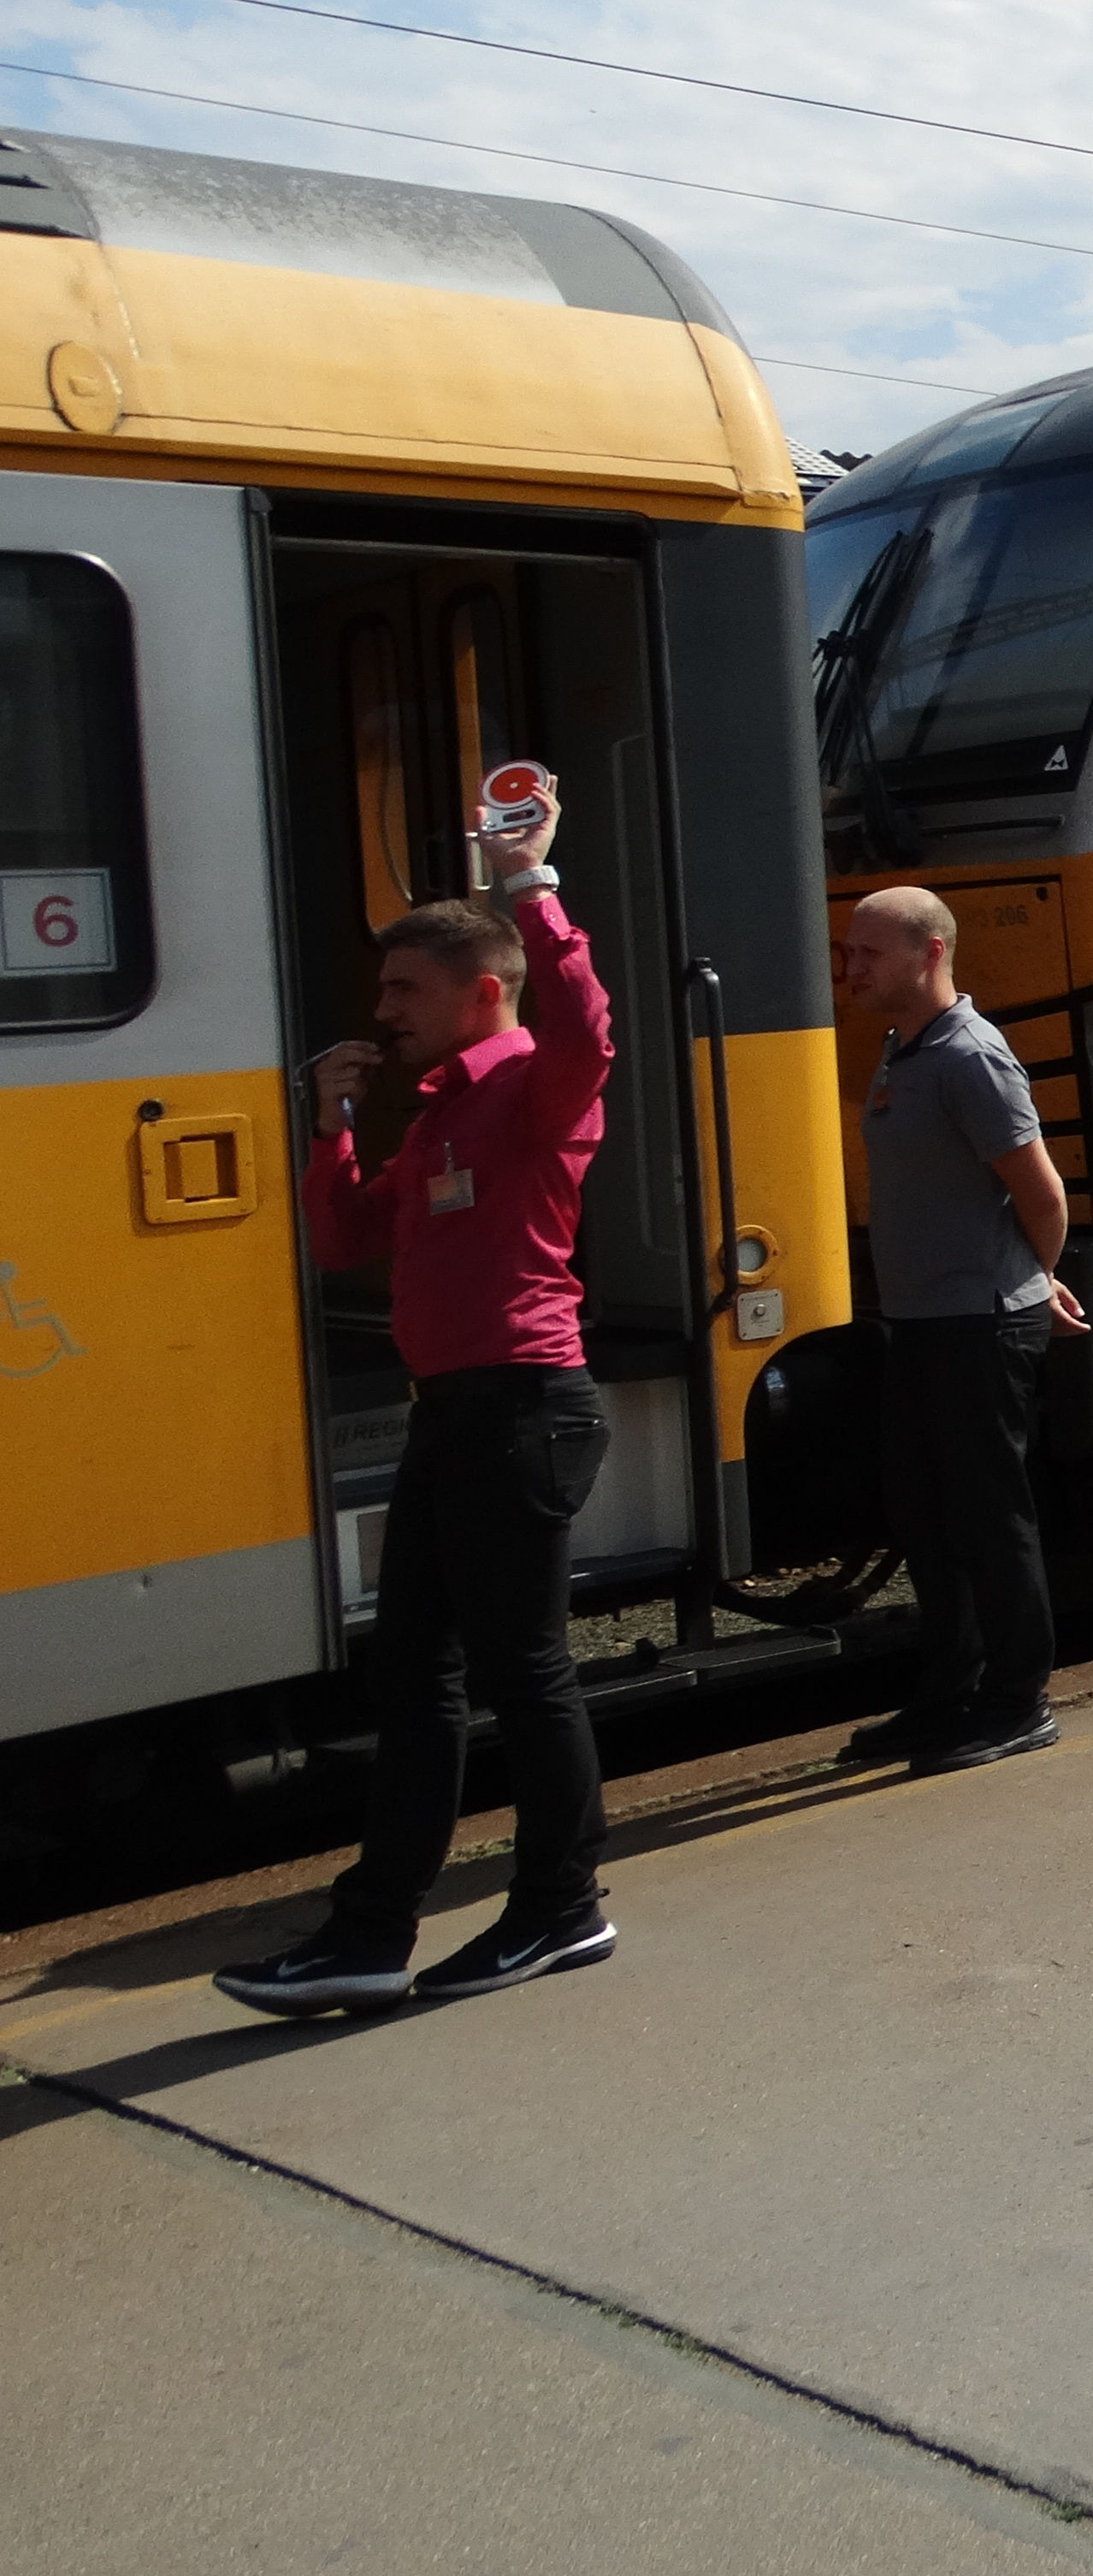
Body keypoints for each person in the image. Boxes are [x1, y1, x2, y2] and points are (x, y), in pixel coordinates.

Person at [218, 781, 617, 2016]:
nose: (383, 1010)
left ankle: (560, 1909)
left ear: (480, 992)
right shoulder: (441, 1111)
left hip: (525, 1403)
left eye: (403, 989)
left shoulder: (537, 1084)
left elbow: (589, 1025)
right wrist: (331, 1122)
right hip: (455, 1412)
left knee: (524, 1670)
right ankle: (371, 1932)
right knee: (415, 1676)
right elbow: (345, 1239)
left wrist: (532, 884)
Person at [831, 885, 1087, 1773]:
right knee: (927, 1519)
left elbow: (1042, 1194)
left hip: (978, 1324)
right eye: (850, 951)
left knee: (988, 1519)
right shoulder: (902, 1049)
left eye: (869, 952)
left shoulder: (972, 1057)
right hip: (921, 1322)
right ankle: (948, 1697)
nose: (851, 967)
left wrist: (1035, 1278)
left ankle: (1018, 1702)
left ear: (929, 953)